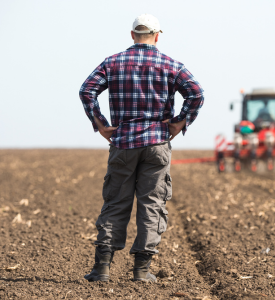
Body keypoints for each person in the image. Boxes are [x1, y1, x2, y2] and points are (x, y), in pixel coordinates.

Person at [78, 14, 204, 282]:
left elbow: (86, 90)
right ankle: (142, 271)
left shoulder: (112, 63)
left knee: (115, 203)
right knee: (152, 205)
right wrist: (180, 122)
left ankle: (102, 270)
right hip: (157, 144)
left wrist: (100, 124)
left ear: (132, 35)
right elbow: (197, 93)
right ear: (158, 36)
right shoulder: (172, 65)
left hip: (123, 143)